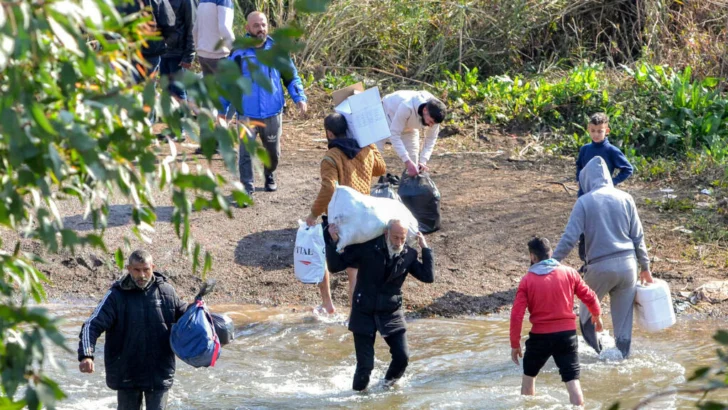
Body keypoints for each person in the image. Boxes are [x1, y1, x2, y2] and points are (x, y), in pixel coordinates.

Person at [552, 156, 654, 359]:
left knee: (586, 315)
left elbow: (570, 238)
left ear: (587, 179)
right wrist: (645, 267)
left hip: (599, 268)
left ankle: (596, 355)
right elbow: (638, 236)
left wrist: (552, 262)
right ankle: (622, 359)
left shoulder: (584, 202)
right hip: (628, 267)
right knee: (623, 323)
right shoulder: (626, 198)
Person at [324, 219, 434, 391]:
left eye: (402, 238)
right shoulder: (366, 248)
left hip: (391, 311)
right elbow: (335, 266)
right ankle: (358, 399)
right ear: (386, 233)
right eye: (395, 237)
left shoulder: (409, 254)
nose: (398, 242)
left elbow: (428, 276)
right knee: (365, 367)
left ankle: (385, 388)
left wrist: (425, 248)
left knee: (402, 358)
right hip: (363, 310)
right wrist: (333, 240)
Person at [78, 250, 188, 410]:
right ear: (129, 269)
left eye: (146, 269)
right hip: (126, 373)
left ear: (153, 267)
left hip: (159, 372)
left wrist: (203, 319)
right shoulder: (116, 296)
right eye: (137, 270)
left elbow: (188, 319)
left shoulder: (166, 292)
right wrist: (86, 355)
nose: (142, 275)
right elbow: (92, 325)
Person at [305, 113, 387, 314]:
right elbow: (381, 169)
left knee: (321, 255)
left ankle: (328, 304)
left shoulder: (330, 157)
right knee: (354, 270)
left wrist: (313, 214)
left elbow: (329, 189)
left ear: (329, 133)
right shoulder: (366, 149)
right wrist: (370, 141)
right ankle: (354, 315)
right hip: (362, 216)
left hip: (338, 217)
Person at [220, 11, 308, 194]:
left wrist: (299, 98)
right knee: (245, 153)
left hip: (272, 112)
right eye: (256, 25)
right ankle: (247, 188)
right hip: (247, 113)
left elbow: (291, 77)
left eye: (263, 25)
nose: (260, 29)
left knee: (273, 153)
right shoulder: (238, 52)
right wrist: (222, 109)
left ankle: (269, 173)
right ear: (247, 28)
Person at [510, 237, 602, 406]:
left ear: (532, 257)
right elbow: (590, 296)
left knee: (528, 378)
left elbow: (516, 315)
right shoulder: (569, 273)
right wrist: (596, 315)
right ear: (550, 253)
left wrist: (515, 344)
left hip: (540, 338)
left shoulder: (527, 280)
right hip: (566, 336)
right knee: (573, 381)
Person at [575, 113, 634, 265]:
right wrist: (580, 182)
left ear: (607, 131)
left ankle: (600, 261)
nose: (596, 134)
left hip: (604, 197)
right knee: (583, 229)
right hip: (585, 196)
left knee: (601, 229)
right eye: (593, 130)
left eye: (600, 131)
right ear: (588, 129)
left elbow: (627, 169)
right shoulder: (585, 149)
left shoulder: (611, 151)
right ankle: (586, 262)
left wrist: (611, 183)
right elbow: (579, 167)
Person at [377, 91, 447, 177]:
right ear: (425, 110)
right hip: (385, 116)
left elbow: (431, 138)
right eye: (430, 122)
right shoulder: (407, 106)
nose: (431, 125)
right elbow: (394, 134)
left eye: (433, 123)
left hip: (409, 126)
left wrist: (423, 161)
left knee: (414, 165)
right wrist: (406, 161)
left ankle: (408, 189)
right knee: (374, 157)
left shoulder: (434, 114)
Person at [159, 0, 197, 140]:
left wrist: (189, 55)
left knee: (179, 92)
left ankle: (179, 130)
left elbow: (192, 26)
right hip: (163, 52)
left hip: (179, 53)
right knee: (167, 92)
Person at [116, 0, 176, 82]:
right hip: (151, 51)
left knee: (127, 88)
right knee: (148, 89)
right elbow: (169, 22)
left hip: (126, 52)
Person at [193, 0, 234, 77]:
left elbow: (195, 29)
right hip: (219, 56)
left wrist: (198, 49)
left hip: (203, 55)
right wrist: (235, 49)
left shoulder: (201, 2)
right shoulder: (224, 1)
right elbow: (224, 27)